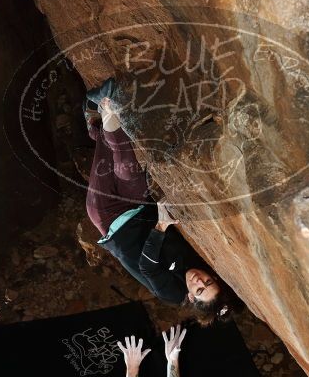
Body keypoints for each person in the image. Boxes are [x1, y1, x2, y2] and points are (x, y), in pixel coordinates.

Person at [85, 79, 243, 325]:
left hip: (108, 217)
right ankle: (104, 104)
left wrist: (161, 226)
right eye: (209, 282)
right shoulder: (197, 264)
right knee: (127, 168)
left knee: (108, 154)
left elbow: (147, 268)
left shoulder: (171, 293)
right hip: (138, 204)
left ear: (191, 298)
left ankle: (98, 122)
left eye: (200, 290)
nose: (200, 281)